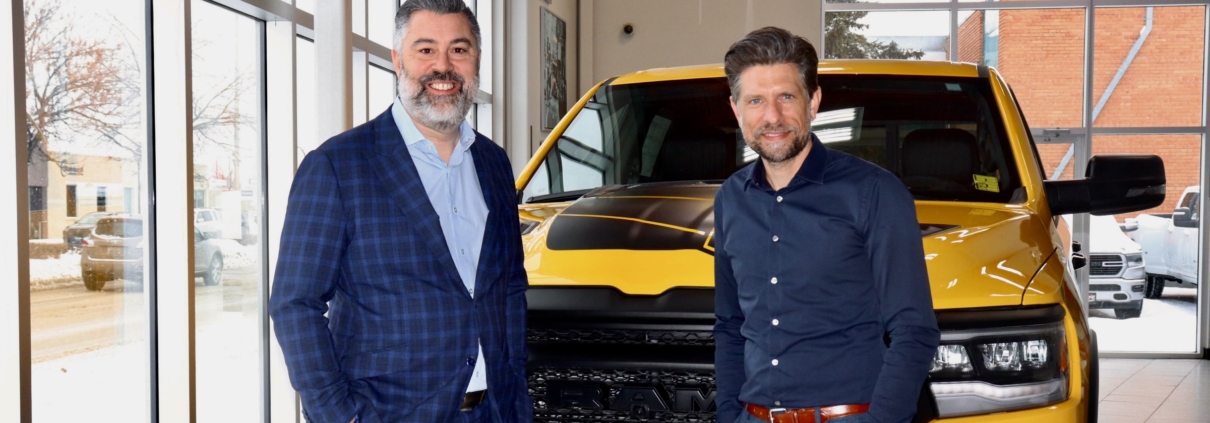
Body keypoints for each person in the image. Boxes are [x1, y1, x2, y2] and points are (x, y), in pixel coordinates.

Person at [269, 1, 531, 422]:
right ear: (397, 59)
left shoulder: (495, 163)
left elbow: (511, 289)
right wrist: (338, 415)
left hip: (494, 410)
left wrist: (517, 396)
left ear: (476, 59)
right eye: (425, 50)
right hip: (387, 412)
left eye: (458, 50)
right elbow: (295, 304)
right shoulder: (338, 165)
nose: (443, 67)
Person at [712, 27, 941, 423]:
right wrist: (730, 415)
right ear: (736, 110)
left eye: (786, 96)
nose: (772, 116)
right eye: (755, 101)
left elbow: (913, 330)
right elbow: (730, 326)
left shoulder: (875, 193)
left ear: (813, 101)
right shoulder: (730, 199)